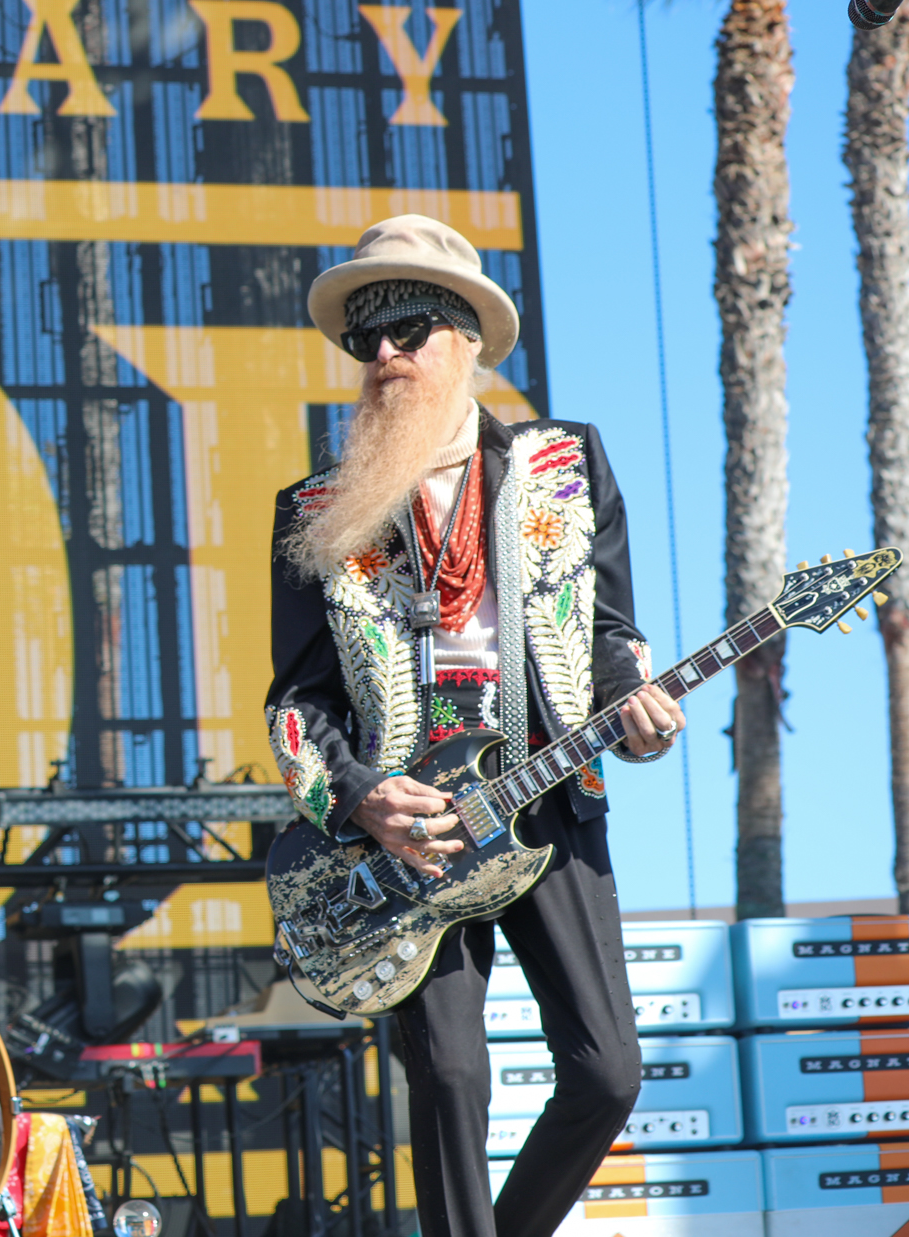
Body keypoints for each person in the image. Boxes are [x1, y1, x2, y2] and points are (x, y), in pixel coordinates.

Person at [264, 215, 688, 1237]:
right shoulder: (313, 507)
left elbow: (610, 632)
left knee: (607, 1073)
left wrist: (632, 699)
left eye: (404, 329)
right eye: (360, 339)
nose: (381, 356)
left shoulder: (565, 463)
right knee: (449, 1076)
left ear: (463, 338)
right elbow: (294, 705)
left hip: (546, 802)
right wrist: (361, 796)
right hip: (409, 835)